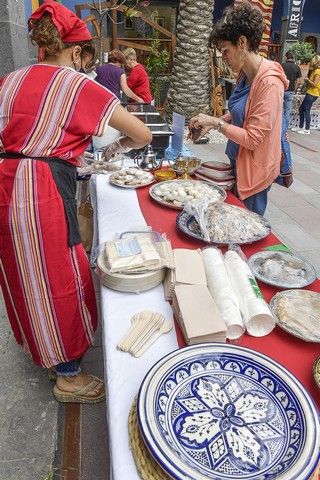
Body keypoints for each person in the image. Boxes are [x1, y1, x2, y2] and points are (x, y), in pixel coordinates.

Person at [0, 0, 152, 404]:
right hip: (42, 192)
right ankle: (67, 375)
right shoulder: (77, 84)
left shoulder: (10, 80)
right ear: (75, 51)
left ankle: (45, 351)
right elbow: (142, 134)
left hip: (7, 182)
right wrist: (114, 146)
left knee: (24, 273)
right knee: (61, 278)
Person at [189, 2, 288, 216]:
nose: (224, 58)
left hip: (255, 171)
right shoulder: (245, 74)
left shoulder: (269, 83)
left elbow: (253, 139)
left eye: (226, 51)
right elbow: (239, 111)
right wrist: (211, 123)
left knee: (247, 225)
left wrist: (216, 122)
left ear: (242, 42)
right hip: (239, 162)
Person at [293, 55, 320, 135]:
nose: (310, 63)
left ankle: (307, 129)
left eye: (312, 62)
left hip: (313, 93)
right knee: (301, 109)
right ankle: (301, 126)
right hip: (310, 92)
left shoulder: (318, 71)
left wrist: (307, 80)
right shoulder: (314, 70)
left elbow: (315, 84)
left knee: (306, 110)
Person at [281, 50, 301, 128]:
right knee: (287, 111)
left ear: (286, 57)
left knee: (277, 108)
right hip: (290, 91)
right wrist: (294, 90)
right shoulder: (297, 67)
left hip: (281, 90)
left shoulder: (282, 66)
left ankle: (276, 126)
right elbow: (298, 81)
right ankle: (284, 128)